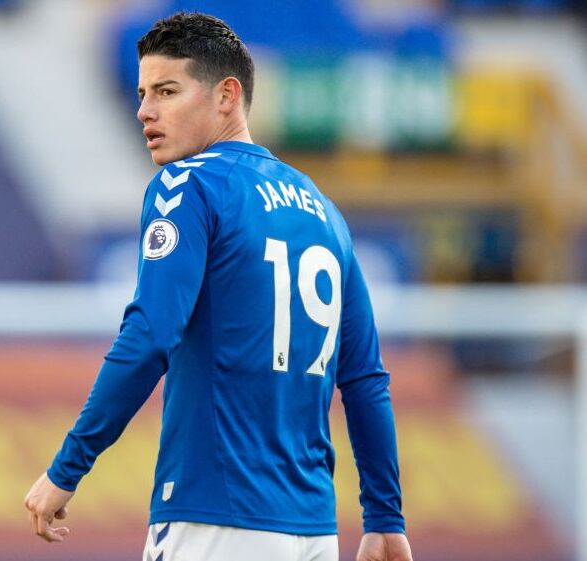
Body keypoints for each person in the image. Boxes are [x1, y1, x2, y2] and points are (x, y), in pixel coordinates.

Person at [24, 12, 412, 561]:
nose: (145, 111)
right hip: (313, 531)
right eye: (141, 93)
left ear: (227, 95)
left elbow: (150, 335)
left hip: (214, 518)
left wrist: (67, 468)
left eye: (166, 90)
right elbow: (366, 379)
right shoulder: (324, 212)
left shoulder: (189, 184)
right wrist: (384, 516)